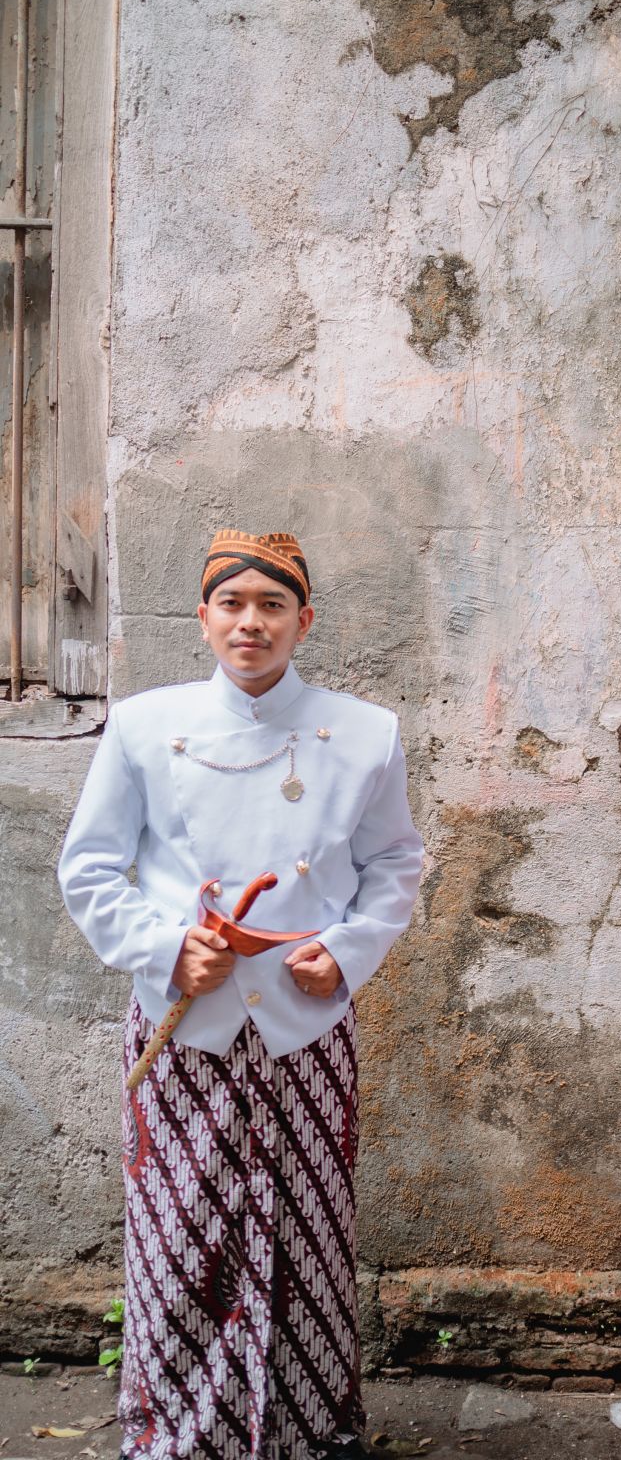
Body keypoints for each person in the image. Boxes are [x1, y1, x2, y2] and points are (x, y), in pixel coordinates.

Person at [58, 529, 424, 1460]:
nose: (250, 622)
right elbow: (90, 867)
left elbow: (393, 864)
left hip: (305, 1025)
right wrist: (164, 950)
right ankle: (177, 1435)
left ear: (304, 620)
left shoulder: (366, 733)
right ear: (203, 617)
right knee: (181, 1233)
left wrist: (345, 953)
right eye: (232, 603)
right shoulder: (143, 725)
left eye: (271, 605)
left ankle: (307, 1430)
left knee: (307, 1231)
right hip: (186, 1026)